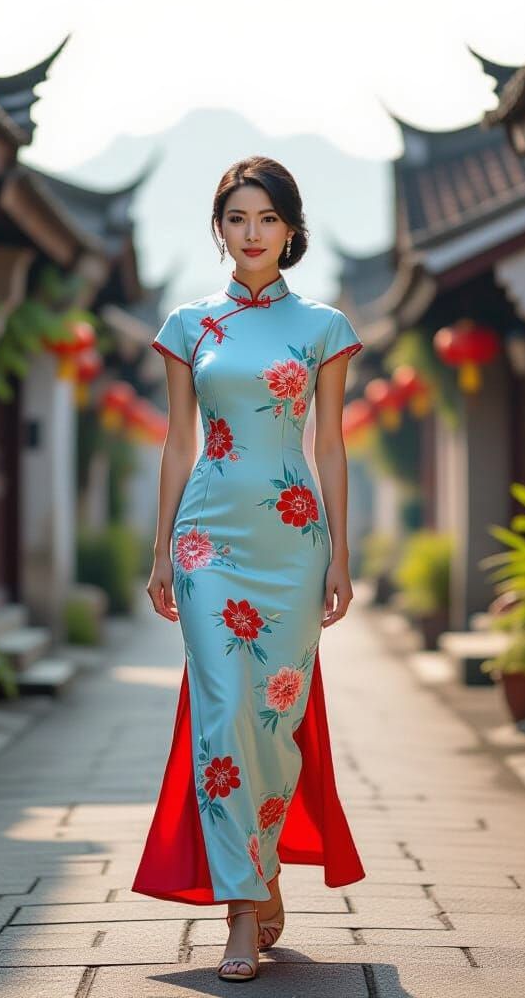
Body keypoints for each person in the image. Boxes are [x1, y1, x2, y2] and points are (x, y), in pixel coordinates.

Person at [133, 155, 365, 982]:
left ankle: (261, 866)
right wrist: (161, 548)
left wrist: (341, 549)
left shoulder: (323, 328)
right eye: (237, 219)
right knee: (225, 712)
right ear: (220, 229)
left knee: (275, 713)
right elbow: (176, 442)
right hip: (207, 541)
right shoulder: (190, 325)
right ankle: (239, 908)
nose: (252, 233)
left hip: (291, 542)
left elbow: (330, 445)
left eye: (267, 219)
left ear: (292, 230)